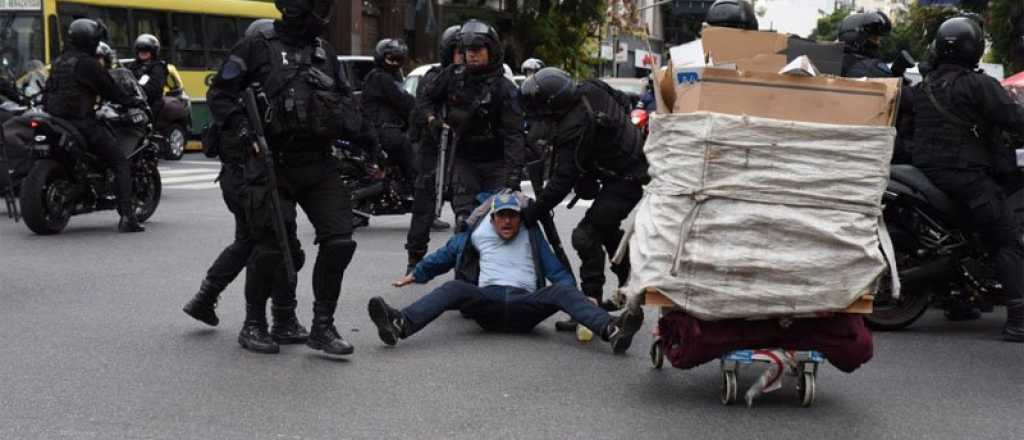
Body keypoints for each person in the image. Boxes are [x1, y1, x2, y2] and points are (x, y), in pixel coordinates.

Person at [207, 0, 360, 355]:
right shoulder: (255, 47)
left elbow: (344, 101)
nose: (325, 16)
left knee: (340, 241)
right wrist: (244, 129)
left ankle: (323, 326)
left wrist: (369, 143)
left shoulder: (326, 53)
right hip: (273, 162)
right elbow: (220, 95)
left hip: (319, 162)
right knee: (272, 247)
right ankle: (255, 323)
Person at [368, 193, 644, 353]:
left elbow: (556, 272)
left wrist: (581, 302)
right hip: (488, 304)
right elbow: (447, 255)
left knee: (561, 291)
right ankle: (399, 324)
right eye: (502, 216)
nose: (508, 221)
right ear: (493, 218)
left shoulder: (531, 235)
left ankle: (613, 329)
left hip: (526, 306)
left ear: (519, 217)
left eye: (513, 215)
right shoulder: (478, 234)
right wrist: (417, 274)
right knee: (454, 289)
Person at [180, 19, 309, 345]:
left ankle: (209, 298)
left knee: (252, 244)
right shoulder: (240, 101)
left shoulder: (259, 94)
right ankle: (273, 318)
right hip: (247, 183)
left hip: (246, 182)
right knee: (277, 247)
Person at [911, 16, 1024, 342]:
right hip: (966, 177)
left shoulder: (925, 86)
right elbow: (1013, 117)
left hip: (929, 174)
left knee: (970, 235)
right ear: (974, 49)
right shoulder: (977, 85)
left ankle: (960, 297)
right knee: (1005, 238)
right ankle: (1018, 319)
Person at [519, 68, 647, 332]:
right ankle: (629, 279)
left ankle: (590, 305)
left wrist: (534, 210)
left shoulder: (573, 127)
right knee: (605, 227)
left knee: (585, 236)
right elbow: (624, 102)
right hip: (627, 168)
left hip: (627, 179)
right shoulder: (592, 87)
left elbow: (562, 179)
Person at [422, 19, 526, 232]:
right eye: (467, 50)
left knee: (495, 221)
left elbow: (514, 134)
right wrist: (432, 119)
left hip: (496, 163)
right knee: (464, 221)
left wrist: (514, 174)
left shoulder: (504, 89)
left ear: (491, 50)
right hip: (463, 158)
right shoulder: (453, 76)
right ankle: (464, 265)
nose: (472, 54)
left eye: (477, 49)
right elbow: (426, 98)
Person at [43, 18, 146, 232]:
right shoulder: (87, 64)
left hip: (54, 121)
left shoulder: (59, 62)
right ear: (89, 40)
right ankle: (127, 217)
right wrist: (131, 101)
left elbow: (49, 91)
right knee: (119, 161)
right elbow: (110, 89)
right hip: (80, 123)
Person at [404, 25, 462, 272]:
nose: (466, 55)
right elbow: (421, 107)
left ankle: (467, 263)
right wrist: (432, 122)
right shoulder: (434, 76)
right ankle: (415, 259)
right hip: (434, 147)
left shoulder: (479, 79)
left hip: (463, 150)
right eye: (460, 50)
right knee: (423, 204)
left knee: (466, 207)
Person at [362, 38, 416, 187]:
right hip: (380, 127)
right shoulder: (380, 77)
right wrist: (420, 107)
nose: (395, 63)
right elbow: (402, 100)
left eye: (399, 60)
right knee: (405, 146)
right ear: (381, 57)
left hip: (386, 125)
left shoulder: (391, 76)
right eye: (391, 59)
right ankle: (413, 188)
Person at [838, 11, 892, 78]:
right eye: (875, 39)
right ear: (859, 38)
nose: (878, 43)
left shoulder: (831, 61)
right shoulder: (873, 68)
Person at [127, 34, 168, 119]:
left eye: (146, 51)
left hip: (150, 102)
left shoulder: (158, 66)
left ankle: (150, 130)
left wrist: (139, 90)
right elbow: (124, 77)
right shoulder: (133, 65)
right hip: (133, 100)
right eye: (140, 50)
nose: (143, 53)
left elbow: (155, 87)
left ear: (153, 52)